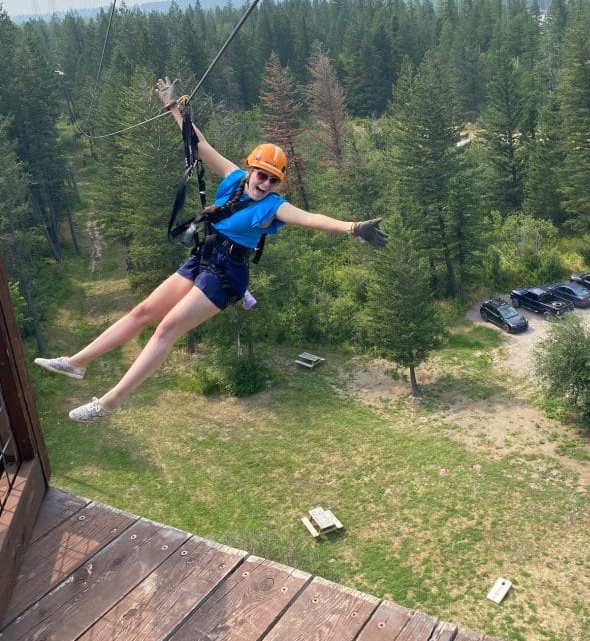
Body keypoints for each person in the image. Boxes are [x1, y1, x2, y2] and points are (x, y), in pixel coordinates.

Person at [35, 78, 387, 422]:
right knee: (143, 311)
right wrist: (174, 108)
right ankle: (77, 362)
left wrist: (353, 228)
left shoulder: (274, 208)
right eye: (260, 175)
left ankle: (111, 401)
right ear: (250, 170)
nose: (264, 184)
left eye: (272, 179)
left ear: (278, 183)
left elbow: (311, 218)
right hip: (204, 257)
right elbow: (199, 145)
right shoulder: (234, 178)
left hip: (227, 273)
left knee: (167, 328)